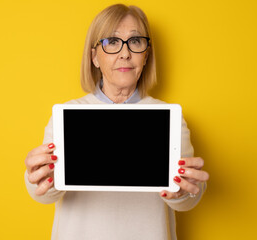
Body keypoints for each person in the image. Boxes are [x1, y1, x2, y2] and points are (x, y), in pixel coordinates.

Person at [24, 4, 209, 240]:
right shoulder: (69, 114)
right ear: (94, 57)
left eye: (135, 42)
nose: (125, 53)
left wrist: (184, 192)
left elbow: (186, 199)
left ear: (146, 55)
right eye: (112, 41)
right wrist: (38, 178)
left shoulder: (167, 116)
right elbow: (44, 194)